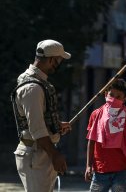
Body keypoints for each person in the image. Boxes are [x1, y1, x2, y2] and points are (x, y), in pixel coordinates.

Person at [11, 39, 72, 191]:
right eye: (58, 60)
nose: (59, 65)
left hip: (40, 153)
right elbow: (37, 129)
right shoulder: (32, 88)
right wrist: (55, 155)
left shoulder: (35, 81)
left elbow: (37, 119)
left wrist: (55, 126)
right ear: (51, 59)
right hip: (36, 156)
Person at [85, 78, 126, 192]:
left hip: (121, 170)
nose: (114, 99)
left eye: (118, 97)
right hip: (100, 170)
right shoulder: (96, 114)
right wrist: (88, 166)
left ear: (124, 99)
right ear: (105, 94)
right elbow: (91, 141)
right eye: (111, 95)